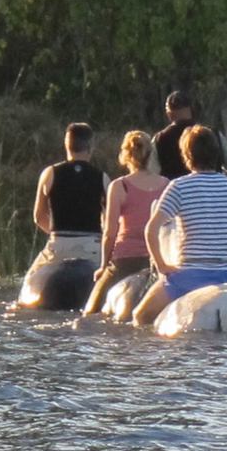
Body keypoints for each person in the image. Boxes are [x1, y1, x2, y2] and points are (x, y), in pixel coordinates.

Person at [132, 125, 227, 328]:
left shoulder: (178, 187)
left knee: (140, 316)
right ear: (216, 154)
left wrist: (162, 265)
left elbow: (151, 231)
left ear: (187, 155)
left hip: (190, 276)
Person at [82, 130, 169, 315]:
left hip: (125, 261)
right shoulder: (166, 185)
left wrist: (104, 266)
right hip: (156, 259)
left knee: (90, 313)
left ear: (126, 155)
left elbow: (110, 233)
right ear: (150, 154)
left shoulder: (119, 186)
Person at [28, 122, 109, 272]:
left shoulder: (49, 173)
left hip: (59, 246)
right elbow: (111, 219)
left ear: (66, 145)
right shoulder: (102, 178)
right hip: (92, 247)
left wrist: (56, 233)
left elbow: (38, 217)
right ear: (90, 147)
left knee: (30, 281)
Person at [152, 91, 195, 180]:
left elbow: (152, 172)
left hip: (174, 192)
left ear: (169, 113)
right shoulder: (213, 133)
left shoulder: (160, 139)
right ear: (190, 109)